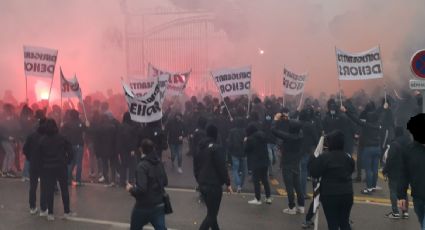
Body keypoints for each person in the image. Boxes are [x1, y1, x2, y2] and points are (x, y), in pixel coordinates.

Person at [309, 130, 355, 230]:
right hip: (347, 193)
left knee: (333, 222)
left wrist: (313, 157)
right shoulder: (348, 156)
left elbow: (314, 172)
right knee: (344, 222)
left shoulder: (325, 157)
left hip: (330, 194)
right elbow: (351, 169)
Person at [194, 124, 232, 230]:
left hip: (202, 184)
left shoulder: (200, 147)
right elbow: (222, 167)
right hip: (214, 186)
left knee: (211, 212)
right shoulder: (217, 148)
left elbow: (195, 166)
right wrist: (228, 183)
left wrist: (199, 179)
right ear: (216, 135)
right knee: (212, 215)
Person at [126, 139, 168, 230]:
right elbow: (165, 182)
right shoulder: (159, 163)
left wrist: (130, 189)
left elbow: (141, 189)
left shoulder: (142, 166)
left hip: (143, 206)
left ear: (141, 150)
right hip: (159, 204)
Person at [38, 119, 74, 221]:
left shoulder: (42, 140)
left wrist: (42, 166)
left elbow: (39, 156)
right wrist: (66, 161)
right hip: (61, 166)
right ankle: (66, 212)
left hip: (48, 168)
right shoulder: (62, 138)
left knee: (49, 190)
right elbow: (70, 151)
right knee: (64, 189)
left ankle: (50, 213)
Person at [398, 114, 425, 230]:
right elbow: (404, 174)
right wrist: (401, 196)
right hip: (418, 198)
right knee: (422, 221)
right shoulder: (408, 151)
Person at [272, 120, 305, 215]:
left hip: (287, 164)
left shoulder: (288, 137)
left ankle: (292, 207)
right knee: (298, 186)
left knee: (289, 186)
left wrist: (275, 119)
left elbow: (274, 131)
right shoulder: (300, 136)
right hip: (296, 163)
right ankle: (301, 206)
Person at [382, 127, 411, 219]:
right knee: (404, 192)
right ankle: (405, 212)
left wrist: (385, 170)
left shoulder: (394, 144)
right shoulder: (408, 143)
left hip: (395, 172)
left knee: (394, 191)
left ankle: (395, 212)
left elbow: (390, 159)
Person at [23, 115, 46, 215]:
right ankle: (43, 208)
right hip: (44, 164)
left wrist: (30, 157)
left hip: (33, 163)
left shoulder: (31, 136)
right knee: (44, 186)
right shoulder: (47, 137)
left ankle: (32, 207)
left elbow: (25, 149)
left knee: (33, 186)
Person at [244, 123, 272, 205]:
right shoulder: (262, 135)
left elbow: (246, 150)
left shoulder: (250, 139)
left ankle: (257, 198)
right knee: (264, 180)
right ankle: (268, 197)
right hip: (265, 160)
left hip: (256, 161)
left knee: (256, 180)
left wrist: (245, 141)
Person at [61, 109, 87, 186]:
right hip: (79, 145)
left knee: (70, 162)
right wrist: (87, 125)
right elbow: (86, 130)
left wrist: (62, 126)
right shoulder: (81, 123)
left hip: (70, 145)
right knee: (78, 163)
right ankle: (78, 180)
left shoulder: (67, 124)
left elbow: (61, 132)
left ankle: (68, 179)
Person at [116, 112, 139, 187]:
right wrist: (132, 149)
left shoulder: (120, 126)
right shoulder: (128, 128)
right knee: (132, 165)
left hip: (121, 150)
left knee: (123, 165)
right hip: (128, 150)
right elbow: (128, 139)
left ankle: (122, 181)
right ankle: (131, 181)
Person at [227, 118, 247, 193]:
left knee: (235, 169)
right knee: (244, 171)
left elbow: (229, 142)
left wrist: (230, 150)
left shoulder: (232, 131)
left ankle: (238, 185)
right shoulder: (245, 131)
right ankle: (240, 186)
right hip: (244, 153)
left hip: (234, 153)